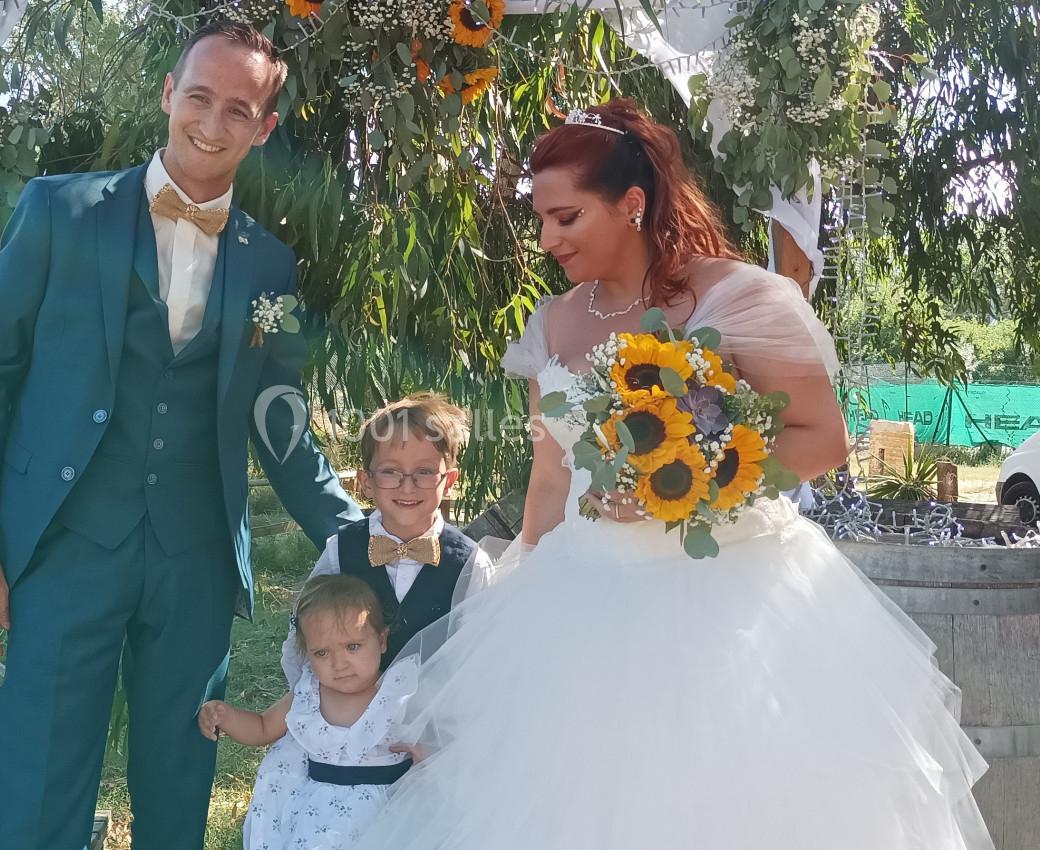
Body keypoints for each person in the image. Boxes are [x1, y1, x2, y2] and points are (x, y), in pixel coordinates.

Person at [350, 100, 994, 849]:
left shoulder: (737, 298)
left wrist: (700, 485)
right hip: (581, 595)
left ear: (630, 205)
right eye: (542, 220)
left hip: (729, 596)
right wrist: (521, 578)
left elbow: (822, 438)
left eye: (566, 218)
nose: (546, 239)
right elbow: (552, 475)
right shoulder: (555, 322)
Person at [0, 22, 361, 850]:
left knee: (178, 787)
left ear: (263, 127)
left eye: (239, 109)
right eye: (198, 96)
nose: (212, 120)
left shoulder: (268, 264)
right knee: (38, 783)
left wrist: (364, 535)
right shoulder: (58, 210)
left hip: (193, 560)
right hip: (66, 548)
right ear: (169, 93)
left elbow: (282, 421)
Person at [277, 391, 494, 685]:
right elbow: (304, 634)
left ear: (449, 481)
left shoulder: (471, 564)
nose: (407, 487)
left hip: (430, 722)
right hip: (350, 717)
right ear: (366, 481)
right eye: (390, 472)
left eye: (425, 472)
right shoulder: (341, 550)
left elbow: (480, 655)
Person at [200, 575, 416, 850]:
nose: (339, 664)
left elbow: (435, 734)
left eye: (353, 647)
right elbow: (264, 727)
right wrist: (225, 715)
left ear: (382, 640)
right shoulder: (309, 694)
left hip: (384, 816)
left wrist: (428, 756)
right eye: (322, 653)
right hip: (316, 819)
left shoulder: (399, 692)